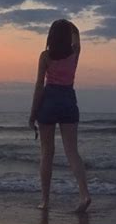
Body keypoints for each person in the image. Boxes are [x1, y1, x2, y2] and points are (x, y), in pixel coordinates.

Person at [29, 19, 91, 213]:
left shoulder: (45, 56)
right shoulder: (74, 54)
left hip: (49, 100)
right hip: (68, 100)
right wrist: (71, 26)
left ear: (50, 37)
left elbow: (39, 85)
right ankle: (84, 194)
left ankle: (45, 200)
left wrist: (32, 114)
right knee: (72, 151)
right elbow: (77, 37)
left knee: (47, 153)